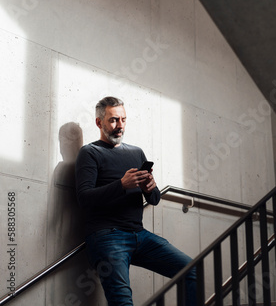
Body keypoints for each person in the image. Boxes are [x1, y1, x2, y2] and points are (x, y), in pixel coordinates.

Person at [75, 96, 196, 306]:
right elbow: (84, 199)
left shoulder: (136, 152)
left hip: (139, 235)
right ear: (99, 122)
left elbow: (155, 198)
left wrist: (150, 188)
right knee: (123, 302)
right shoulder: (90, 153)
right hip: (106, 236)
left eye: (123, 119)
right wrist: (121, 184)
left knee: (192, 270)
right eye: (113, 120)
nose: (119, 126)